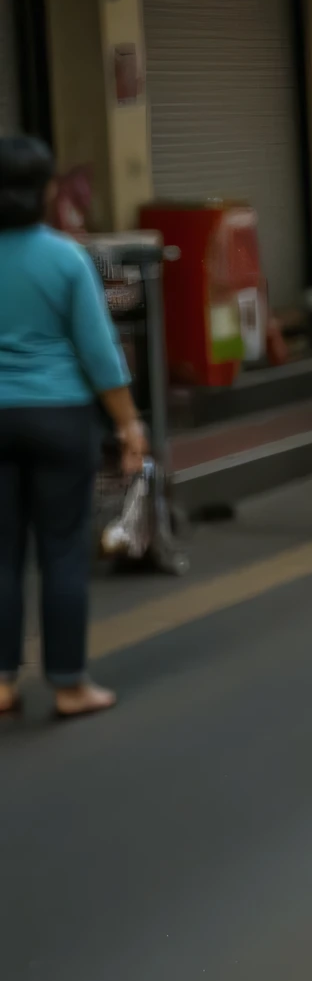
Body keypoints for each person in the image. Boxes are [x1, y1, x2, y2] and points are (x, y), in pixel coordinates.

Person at [0, 132, 150, 721]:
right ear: (47, 191)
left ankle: (2, 683)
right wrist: (129, 424)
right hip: (60, 416)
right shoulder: (66, 257)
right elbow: (98, 351)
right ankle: (68, 685)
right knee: (62, 551)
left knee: (0, 555)